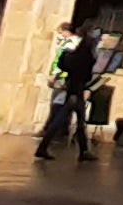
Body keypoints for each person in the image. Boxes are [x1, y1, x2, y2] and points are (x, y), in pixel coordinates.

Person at [36, 23, 99, 163]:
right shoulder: (85, 55)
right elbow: (87, 73)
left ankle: (83, 151)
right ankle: (43, 147)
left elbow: (63, 64)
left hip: (72, 87)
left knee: (80, 121)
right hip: (76, 90)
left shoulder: (73, 53)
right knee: (63, 118)